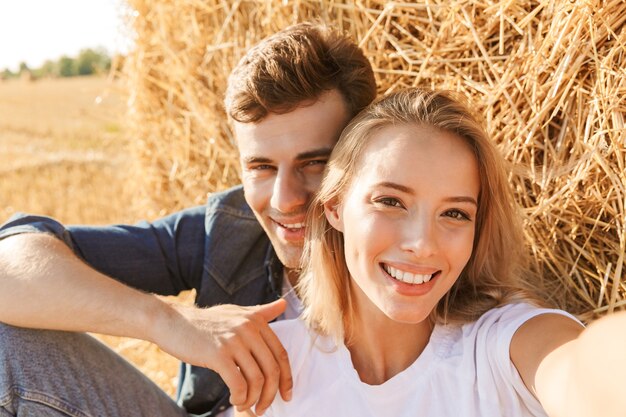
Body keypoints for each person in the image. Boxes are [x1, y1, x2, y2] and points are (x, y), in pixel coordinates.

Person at [0, 22, 376, 416]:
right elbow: (12, 262)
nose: (284, 200)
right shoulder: (229, 230)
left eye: (315, 163)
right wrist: (168, 321)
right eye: (261, 167)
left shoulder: (416, 257)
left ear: (367, 150)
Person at [235, 88, 626, 417]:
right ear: (334, 206)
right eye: (390, 202)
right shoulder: (276, 364)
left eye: (454, 213)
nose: (422, 243)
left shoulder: (499, 348)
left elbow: (581, 371)